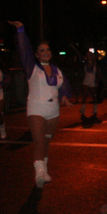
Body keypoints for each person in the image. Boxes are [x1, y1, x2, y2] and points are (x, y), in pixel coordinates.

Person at [9, 21, 72, 187]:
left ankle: (45, 169)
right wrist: (21, 30)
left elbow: (64, 85)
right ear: (36, 54)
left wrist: (65, 96)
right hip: (36, 107)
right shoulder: (32, 67)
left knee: (46, 140)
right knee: (38, 141)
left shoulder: (57, 69)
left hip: (54, 110)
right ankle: (39, 172)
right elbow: (24, 50)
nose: (45, 52)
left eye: (48, 50)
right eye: (42, 50)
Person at [75, 48, 103, 123]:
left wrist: (97, 81)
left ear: (92, 56)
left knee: (94, 96)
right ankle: (83, 109)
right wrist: (75, 49)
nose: (88, 57)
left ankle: (95, 109)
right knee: (84, 95)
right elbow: (80, 56)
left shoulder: (95, 65)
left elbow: (99, 74)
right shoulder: (85, 63)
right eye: (87, 55)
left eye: (89, 55)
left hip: (93, 81)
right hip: (86, 80)